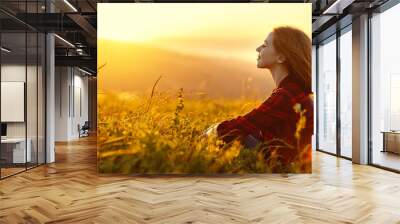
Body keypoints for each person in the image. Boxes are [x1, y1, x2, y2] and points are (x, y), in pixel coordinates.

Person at [204, 26, 313, 167]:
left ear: (281, 57)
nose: (258, 49)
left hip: (284, 166)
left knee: (233, 133)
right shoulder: (292, 89)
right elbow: (255, 125)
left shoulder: (286, 94)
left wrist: (210, 131)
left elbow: (242, 125)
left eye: (265, 45)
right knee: (245, 132)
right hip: (289, 161)